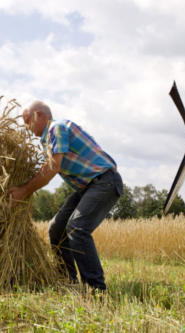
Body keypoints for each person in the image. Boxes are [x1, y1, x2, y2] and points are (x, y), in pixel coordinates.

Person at [9, 101, 123, 291]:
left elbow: (53, 167)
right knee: (56, 229)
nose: (27, 128)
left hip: (104, 182)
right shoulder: (49, 139)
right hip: (87, 187)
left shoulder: (57, 128)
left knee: (77, 228)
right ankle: (67, 282)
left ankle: (95, 289)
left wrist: (23, 191)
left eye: (28, 121)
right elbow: (46, 169)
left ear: (39, 115)